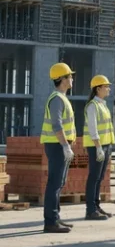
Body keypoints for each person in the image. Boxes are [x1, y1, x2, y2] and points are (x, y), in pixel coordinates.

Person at [40, 62, 76, 233]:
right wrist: (65, 146)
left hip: (59, 145)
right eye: (69, 76)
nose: (72, 79)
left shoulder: (62, 98)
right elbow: (56, 125)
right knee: (54, 183)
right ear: (62, 79)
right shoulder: (57, 99)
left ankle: (56, 218)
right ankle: (50, 221)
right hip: (56, 146)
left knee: (58, 182)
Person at [83, 75, 115, 220]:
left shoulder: (103, 104)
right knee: (94, 177)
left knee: (99, 177)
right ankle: (90, 210)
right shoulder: (92, 106)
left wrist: (108, 146)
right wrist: (98, 147)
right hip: (97, 147)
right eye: (106, 86)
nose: (108, 89)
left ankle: (96, 206)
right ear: (98, 89)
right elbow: (93, 128)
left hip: (106, 146)